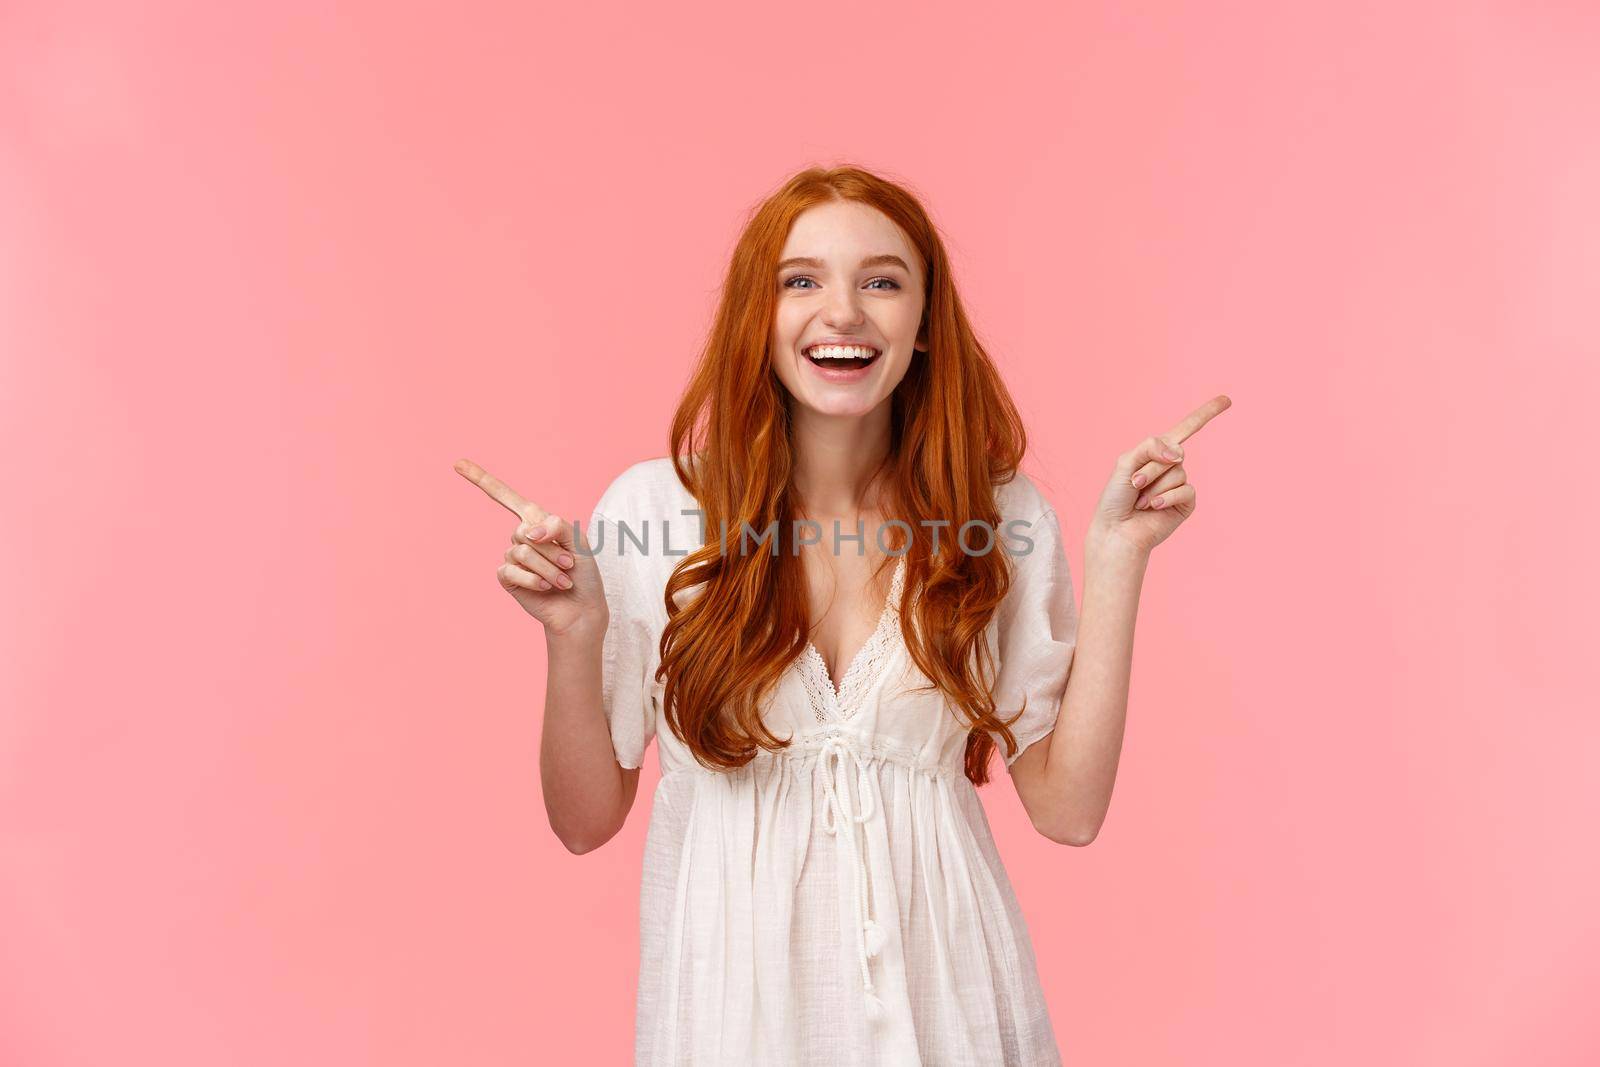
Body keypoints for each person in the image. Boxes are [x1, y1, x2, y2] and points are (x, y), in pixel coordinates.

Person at [456, 164, 1230, 1065]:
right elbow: (584, 820)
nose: (844, 311)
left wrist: (1118, 556)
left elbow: (1069, 808)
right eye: (802, 280)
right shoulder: (656, 514)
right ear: (760, 317)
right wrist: (572, 635)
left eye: (882, 281)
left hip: (952, 1009)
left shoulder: (1000, 520)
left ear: (925, 323)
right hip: (730, 1015)